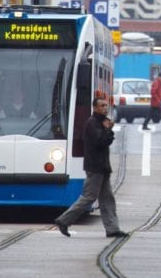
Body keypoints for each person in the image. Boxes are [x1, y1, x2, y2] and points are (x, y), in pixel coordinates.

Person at [55, 97, 128, 238]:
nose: (105, 108)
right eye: (101, 106)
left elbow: (106, 141)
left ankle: (112, 228)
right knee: (89, 197)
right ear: (95, 108)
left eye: (106, 105)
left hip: (102, 167)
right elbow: (99, 142)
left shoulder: (100, 122)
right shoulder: (92, 123)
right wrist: (107, 130)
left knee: (107, 199)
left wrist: (108, 130)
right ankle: (64, 220)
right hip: (95, 167)